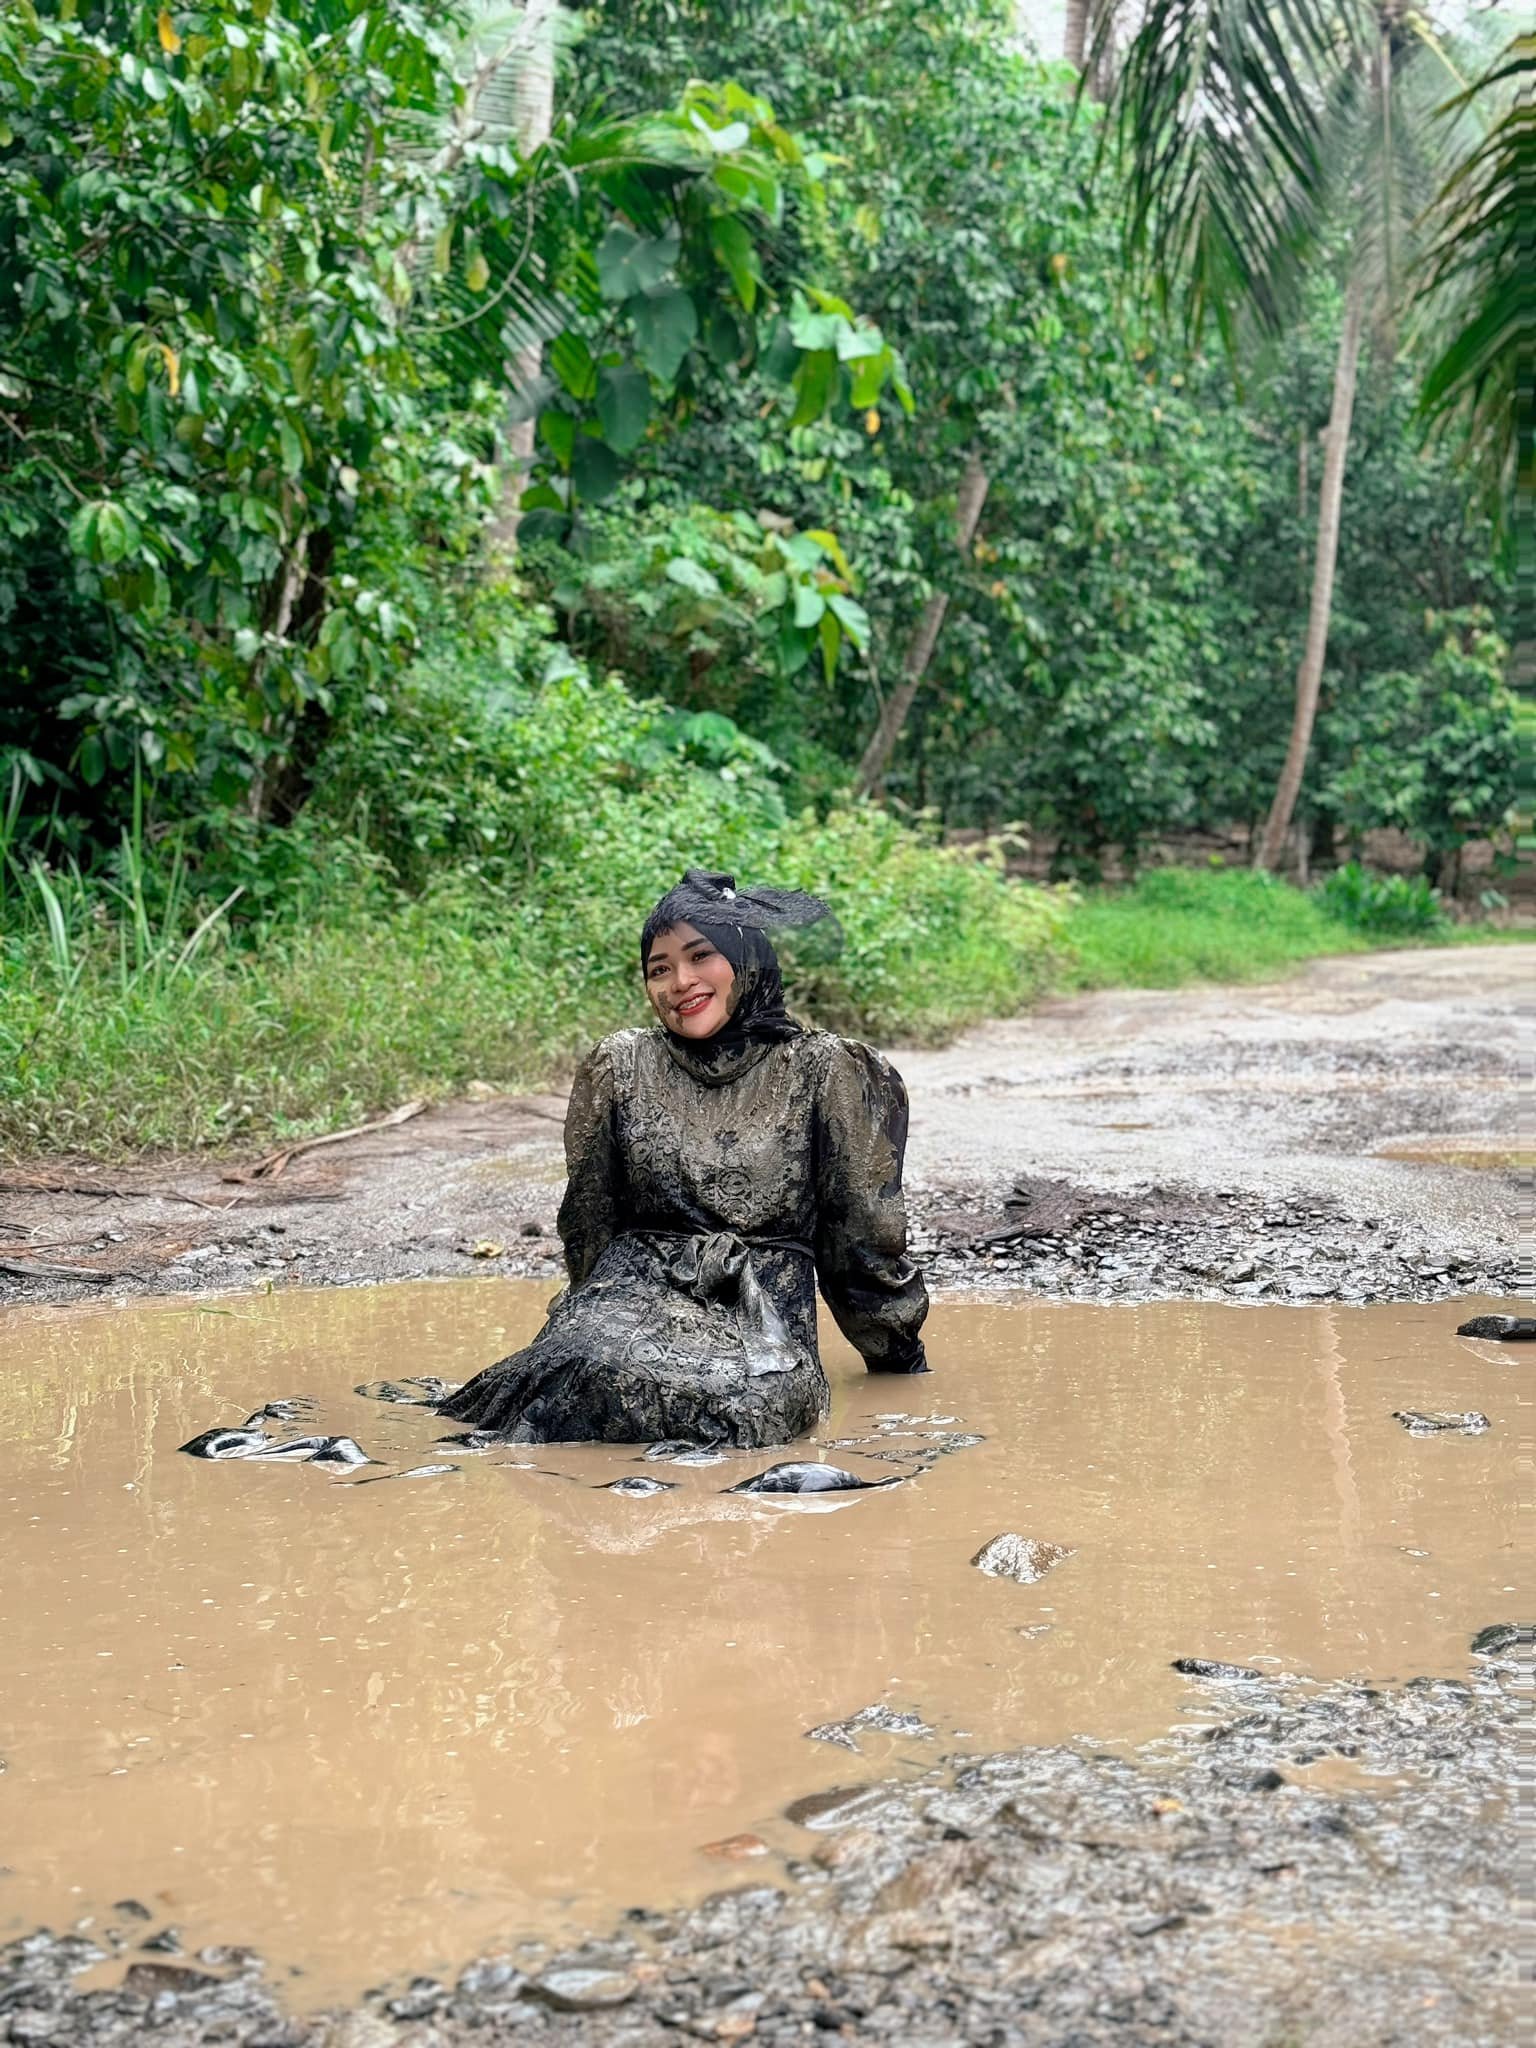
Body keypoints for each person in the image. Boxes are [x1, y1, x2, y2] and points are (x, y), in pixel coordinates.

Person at [437, 868, 930, 1446]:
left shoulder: (824, 1071)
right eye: (659, 968)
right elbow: (590, 1219)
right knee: (565, 1381)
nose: (680, 982)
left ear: (747, 960)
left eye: (701, 957)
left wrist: (898, 1359)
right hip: (621, 1296)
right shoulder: (620, 1066)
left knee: (744, 1410)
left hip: (757, 1310)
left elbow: (863, 1237)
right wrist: (574, 1320)